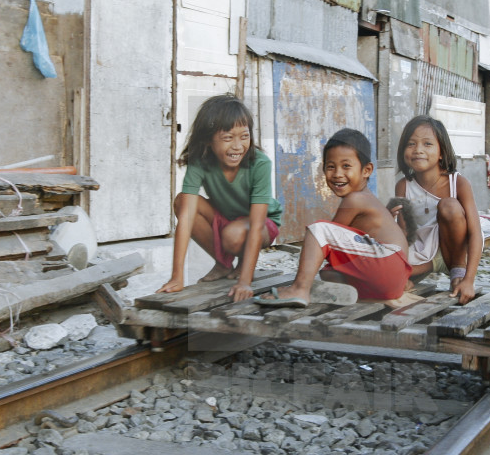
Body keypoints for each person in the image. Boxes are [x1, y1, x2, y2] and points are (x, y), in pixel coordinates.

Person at [253, 129, 410, 306]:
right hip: (395, 278)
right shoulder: (369, 199)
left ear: (367, 170)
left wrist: (304, 275)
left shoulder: (355, 199)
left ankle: (299, 289)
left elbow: (326, 238)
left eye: (346, 166)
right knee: (329, 273)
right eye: (330, 166)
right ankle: (348, 293)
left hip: (387, 264)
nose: (337, 174)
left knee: (319, 229)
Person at [158, 94, 283, 303]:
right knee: (182, 202)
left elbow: (256, 222)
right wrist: (176, 276)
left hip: (261, 225)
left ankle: (242, 264)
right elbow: (186, 216)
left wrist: (245, 280)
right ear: (208, 139)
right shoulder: (200, 161)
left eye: (244, 136)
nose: (237, 146)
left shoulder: (260, 163)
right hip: (227, 219)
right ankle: (224, 264)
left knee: (233, 235)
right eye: (227, 138)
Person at [392, 115, 484, 304]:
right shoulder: (403, 185)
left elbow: (476, 234)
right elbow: (405, 235)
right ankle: (427, 267)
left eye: (427, 144)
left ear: (442, 152)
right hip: (421, 253)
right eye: (411, 144)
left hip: (452, 252)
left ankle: (457, 270)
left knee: (448, 206)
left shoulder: (457, 183)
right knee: (384, 274)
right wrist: (399, 272)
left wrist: (469, 280)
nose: (418, 150)